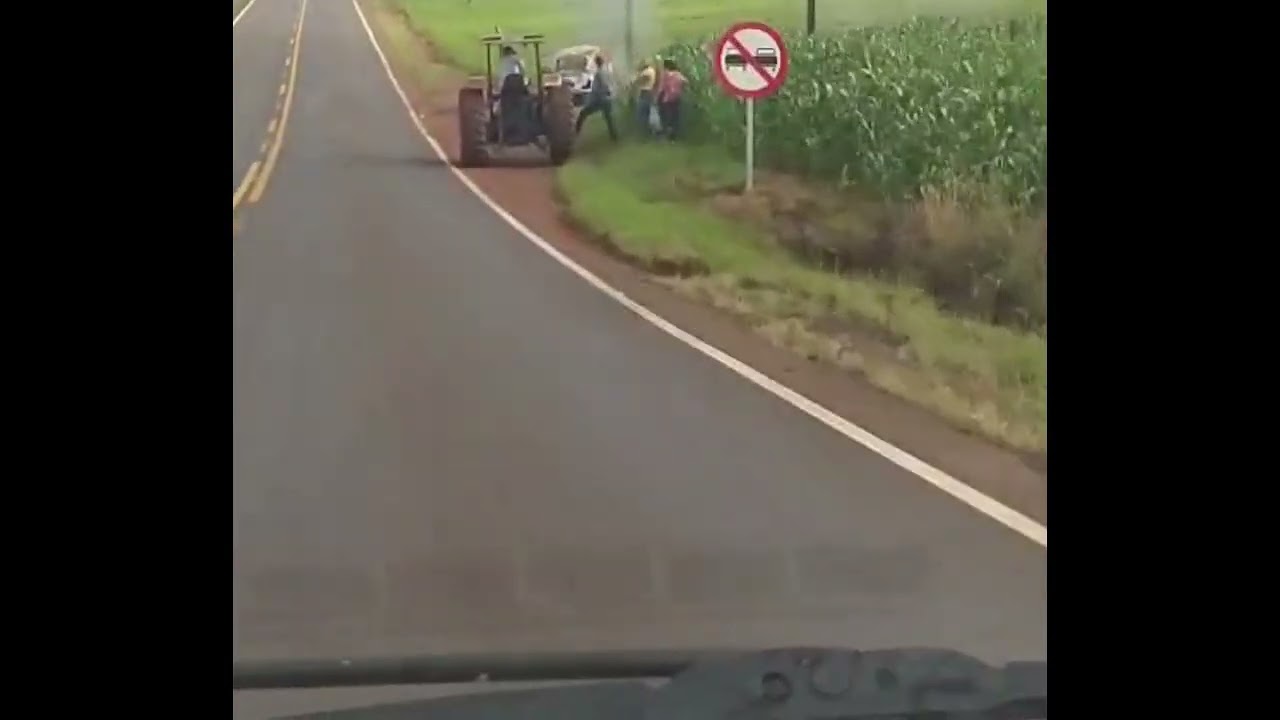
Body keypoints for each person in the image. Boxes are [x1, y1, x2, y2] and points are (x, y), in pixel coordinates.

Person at [575, 54, 618, 141]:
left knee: (583, 113)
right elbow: (611, 83)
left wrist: (595, 95)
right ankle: (614, 137)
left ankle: (576, 132)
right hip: (607, 98)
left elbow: (601, 85)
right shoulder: (607, 71)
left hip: (600, 99)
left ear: (596, 63)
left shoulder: (599, 73)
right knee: (609, 119)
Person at [656, 58, 687, 140]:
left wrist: (658, 95)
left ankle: (668, 135)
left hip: (667, 98)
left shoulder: (666, 74)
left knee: (667, 117)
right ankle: (674, 135)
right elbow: (685, 81)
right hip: (677, 97)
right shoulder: (678, 74)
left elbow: (662, 86)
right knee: (675, 117)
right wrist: (680, 88)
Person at [633, 59, 657, 137]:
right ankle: (648, 131)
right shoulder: (650, 70)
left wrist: (636, 79)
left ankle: (646, 131)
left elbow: (639, 80)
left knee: (641, 112)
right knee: (647, 112)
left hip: (645, 92)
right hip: (647, 92)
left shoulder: (648, 71)